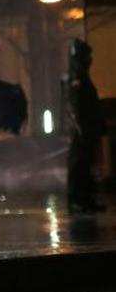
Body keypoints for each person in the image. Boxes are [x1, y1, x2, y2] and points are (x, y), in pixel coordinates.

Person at [64, 38, 107, 214]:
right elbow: (76, 106)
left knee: (86, 165)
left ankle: (86, 199)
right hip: (82, 131)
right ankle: (78, 200)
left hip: (87, 129)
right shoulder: (76, 78)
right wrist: (81, 128)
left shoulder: (80, 77)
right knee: (79, 165)